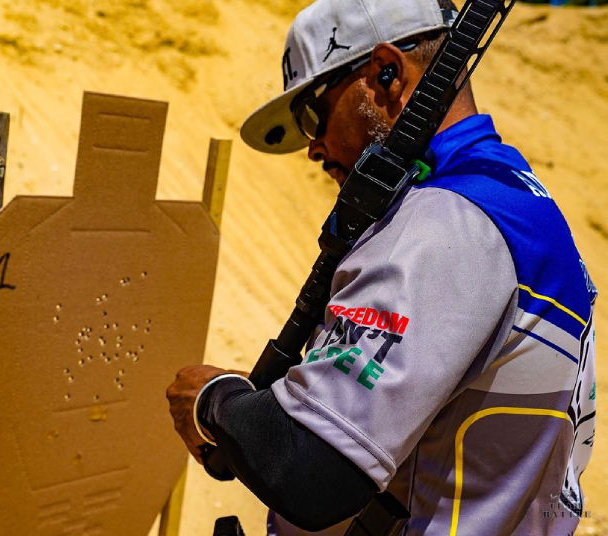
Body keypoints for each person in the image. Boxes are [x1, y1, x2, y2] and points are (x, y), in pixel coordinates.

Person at [165, 0, 598, 534]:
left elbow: (312, 470)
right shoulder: (517, 206)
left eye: (312, 115)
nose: (314, 148)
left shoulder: (444, 224)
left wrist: (213, 400)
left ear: (387, 75)